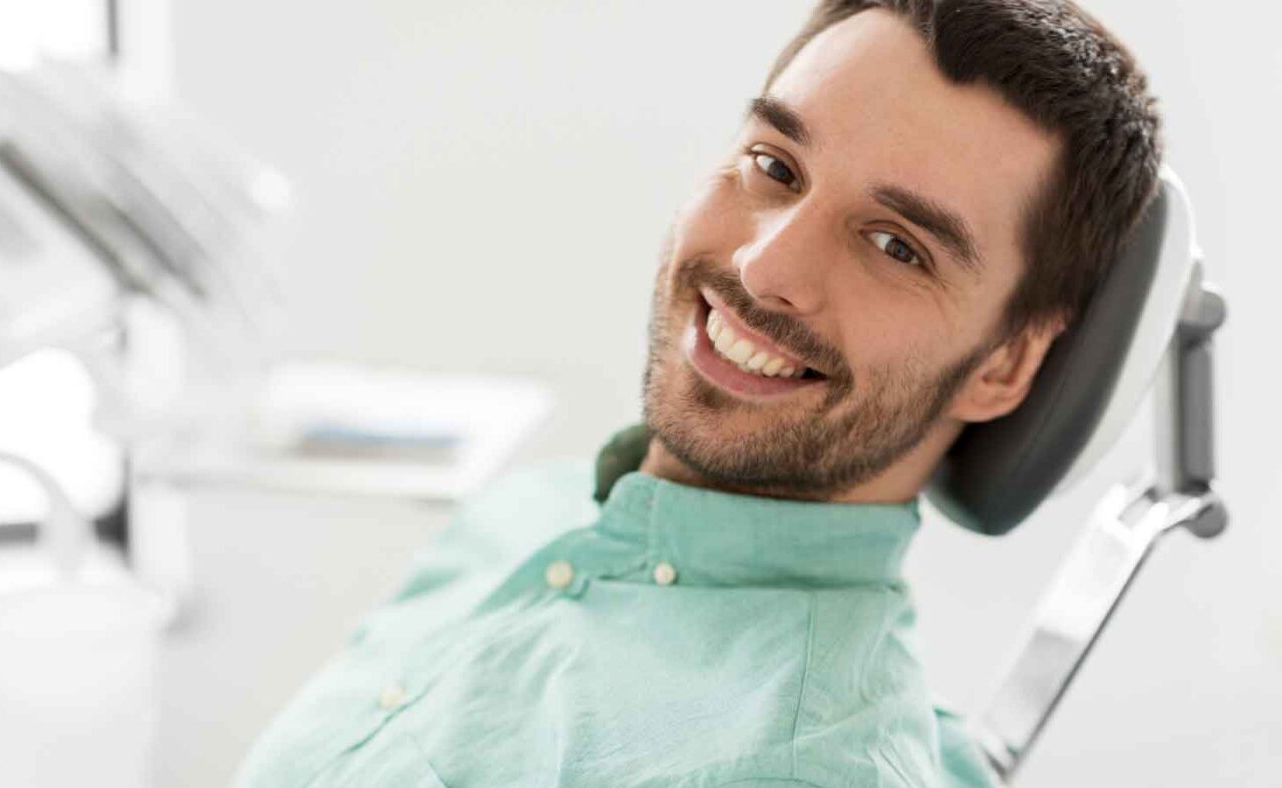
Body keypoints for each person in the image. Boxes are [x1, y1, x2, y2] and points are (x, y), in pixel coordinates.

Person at [235, 0, 1161, 785]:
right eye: (775, 166)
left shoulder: (796, 763)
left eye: (895, 247)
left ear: (1004, 366)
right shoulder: (529, 514)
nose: (764, 266)